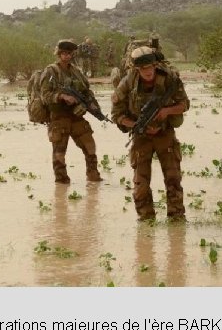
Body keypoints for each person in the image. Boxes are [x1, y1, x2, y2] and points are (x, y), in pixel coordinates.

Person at [111, 46, 189, 221]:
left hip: (165, 134)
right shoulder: (128, 83)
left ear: (155, 65)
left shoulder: (169, 78)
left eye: (150, 67)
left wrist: (166, 111)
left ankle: (176, 219)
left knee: (173, 178)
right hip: (141, 137)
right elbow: (116, 115)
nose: (147, 72)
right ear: (136, 69)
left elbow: (184, 104)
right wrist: (136, 125)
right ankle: (146, 219)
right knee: (140, 183)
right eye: (143, 69)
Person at [39, 39, 103, 184]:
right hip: (58, 117)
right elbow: (45, 95)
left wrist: (93, 106)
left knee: (90, 145)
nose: (67, 56)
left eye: (69, 53)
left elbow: (86, 91)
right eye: (64, 53)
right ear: (58, 54)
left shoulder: (76, 71)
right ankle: (61, 182)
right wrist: (62, 96)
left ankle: (93, 176)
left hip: (76, 115)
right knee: (59, 152)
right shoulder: (51, 71)